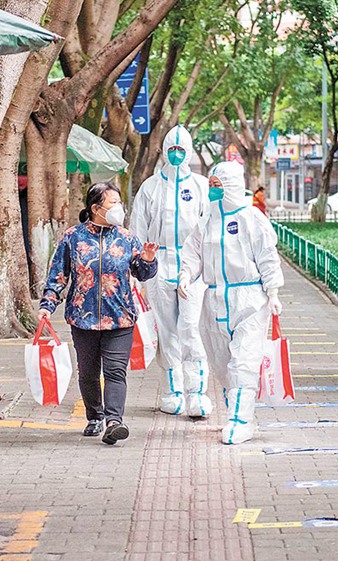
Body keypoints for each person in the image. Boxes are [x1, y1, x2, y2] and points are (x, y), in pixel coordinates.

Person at [38, 182, 159, 445]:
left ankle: (114, 421)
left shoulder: (127, 238)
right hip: (83, 318)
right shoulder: (73, 237)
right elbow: (58, 275)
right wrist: (47, 306)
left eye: (119, 202)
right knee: (89, 373)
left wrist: (148, 260)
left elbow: (143, 273)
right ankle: (95, 416)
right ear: (96, 208)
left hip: (120, 318)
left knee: (116, 371)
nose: (119, 208)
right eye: (112, 203)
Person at [177, 161, 284, 444]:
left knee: (244, 362)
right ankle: (236, 408)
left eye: (217, 186)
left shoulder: (252, 218)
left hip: (249, 298)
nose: (212, 191)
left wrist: (273, 292)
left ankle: (240, 420)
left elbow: (267, 257)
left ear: (232, 187)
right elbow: (193, 252)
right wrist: (186, 275)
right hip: (214, 299)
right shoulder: (207, 220)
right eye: (210, 185)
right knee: (222, 364)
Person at [131, 125, 212, 418]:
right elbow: (137, 231)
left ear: (188, 152)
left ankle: (197, 393)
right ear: (164, 151)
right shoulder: (150, 188)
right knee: (165, 331)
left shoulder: (202, 187)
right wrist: (137, 272)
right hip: (158, 267)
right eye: (172, 150)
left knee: (191, 329)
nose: (176, 155)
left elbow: (211, 229)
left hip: (194, 269)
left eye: (181, 150)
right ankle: (172, 390)